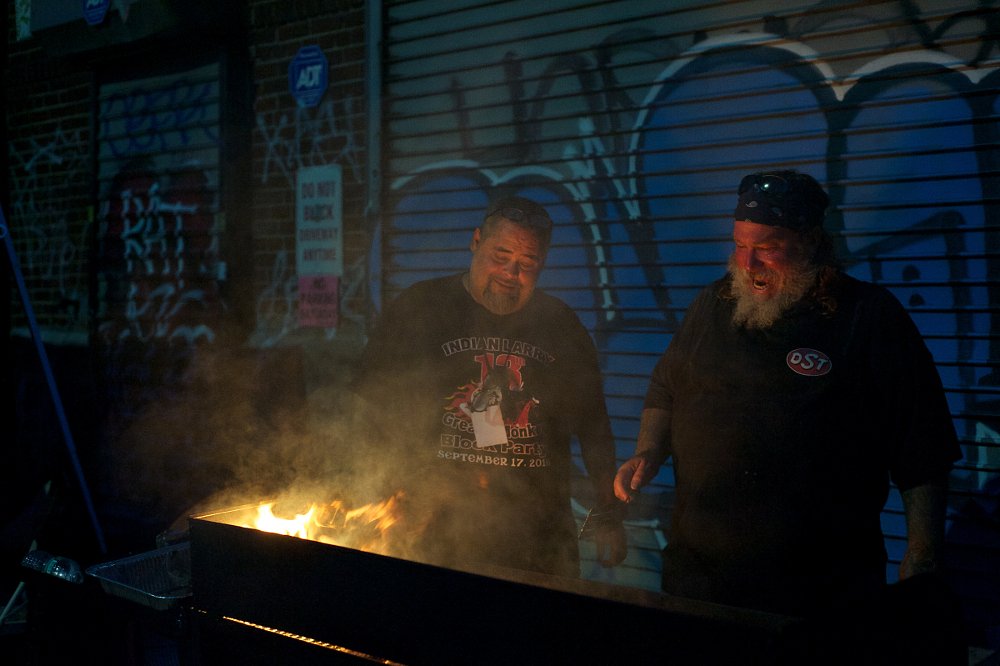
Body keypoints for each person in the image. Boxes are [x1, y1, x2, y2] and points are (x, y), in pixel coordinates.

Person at [613, 170, 964, 658]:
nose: (748, 262)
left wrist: (920, 561)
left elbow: (922, 449)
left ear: (810, 242)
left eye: (767, 246)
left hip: (819, 600)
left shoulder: (868, 318)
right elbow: (666, 385)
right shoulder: (712, 306)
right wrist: (648, 450)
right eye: (739, 244)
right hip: (700, 585)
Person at [349, 195, 627, 579]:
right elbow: (367, 406)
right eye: (501, 255)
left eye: (527, 262)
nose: (511, 272)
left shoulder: (562, 327)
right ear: (475, 241)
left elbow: (595, 428)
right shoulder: (421, 308)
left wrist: (609, 514)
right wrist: (364, 493)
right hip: (432, 535)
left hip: (537, 543)